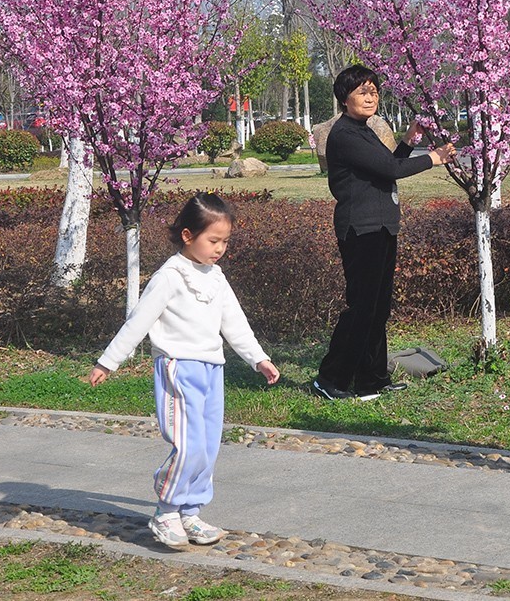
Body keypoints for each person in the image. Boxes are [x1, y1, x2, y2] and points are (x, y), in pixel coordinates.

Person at [87, 192, 280, 547]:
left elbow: (234, 322)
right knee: (188, 444)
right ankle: (166, 510)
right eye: (213, 240)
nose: (220, 248)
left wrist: (258, 358)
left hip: (212, 368)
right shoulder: (170, 276)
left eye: (225, 241)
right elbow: (138, 322)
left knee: (208, 445)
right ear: (188, 236)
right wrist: (108, 361)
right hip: (178, 368)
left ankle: (190, 511)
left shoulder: (216, 277)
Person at [312, 64, 456, 401]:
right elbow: (391, 169)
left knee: (377, 308)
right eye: (363, 92)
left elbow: (385, 166)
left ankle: (371, 380)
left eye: (374, 91)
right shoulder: (345, 134)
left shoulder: (363, 131)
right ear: (344, 98)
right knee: (362, 306)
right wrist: (432, 158)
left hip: (381, 225)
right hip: (360, 228)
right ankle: (330, 378)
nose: (370, 97)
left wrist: (409, 140)